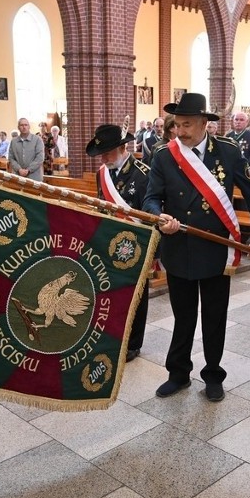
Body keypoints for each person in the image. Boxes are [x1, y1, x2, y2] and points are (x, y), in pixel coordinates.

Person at [143, 93, 250, 402]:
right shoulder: (163, 155)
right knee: (183, 315)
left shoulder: (226, 151)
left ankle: (213, 374)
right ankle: (178, 373)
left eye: (186, 125)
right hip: (179, 245)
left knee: (214, 315)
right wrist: (160, 216)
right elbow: (151, 197)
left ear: (203, 124)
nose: (179, 132)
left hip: (215, 247)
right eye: (176, 125)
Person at [86, 124, 150, 361]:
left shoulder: (143, 174)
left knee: (136, 295)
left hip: (136, 245)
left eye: (108, 152)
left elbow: (150, 212)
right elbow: (101, 204)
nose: (103, 158)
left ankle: (133, 343)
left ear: (124, 148)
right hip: (109, 242)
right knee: (112, 293)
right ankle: (113, 335)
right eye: (101, 154)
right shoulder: (102, 173)